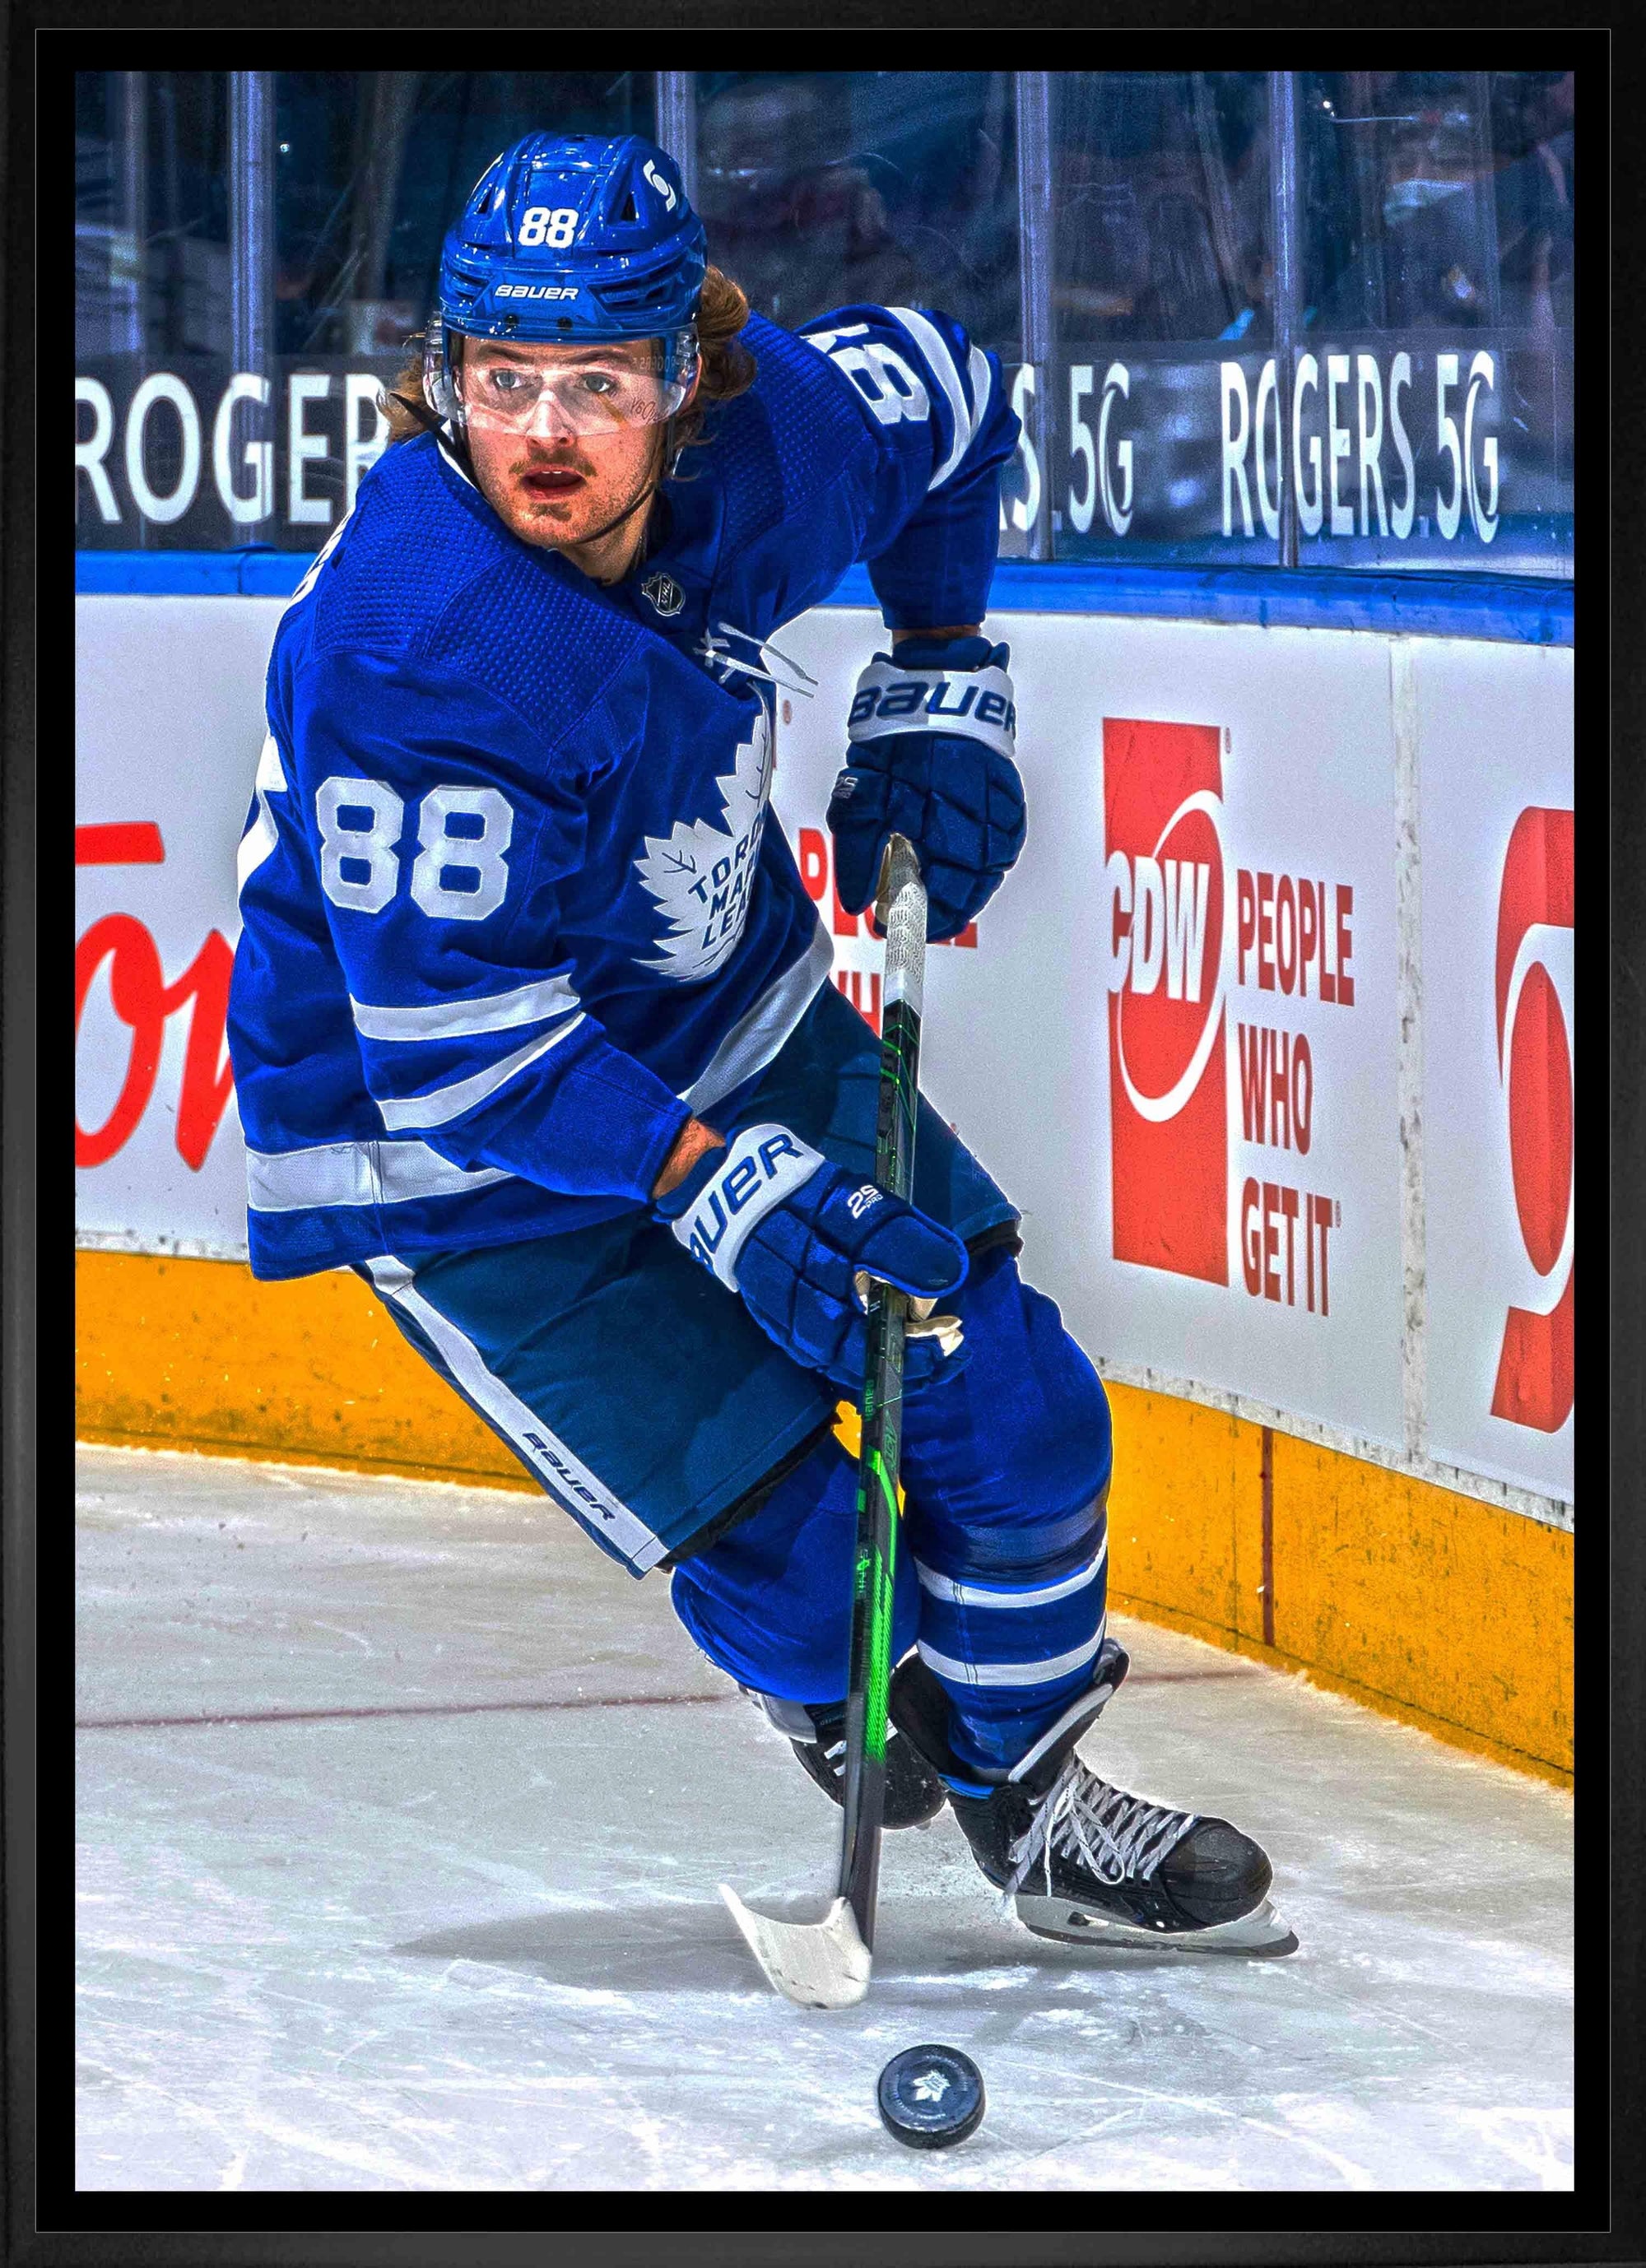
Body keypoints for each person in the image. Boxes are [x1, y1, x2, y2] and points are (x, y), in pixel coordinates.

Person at [227, 130, 1293, 1956]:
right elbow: (464, 1059)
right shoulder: (418, 643)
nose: (545, 435)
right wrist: (712, 1192)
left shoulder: (779, 436)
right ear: (443, 379)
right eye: (501, 383)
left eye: (598, 384)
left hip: (727, 1003)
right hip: (453, 1137)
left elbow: (954, 398)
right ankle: (838, 1689)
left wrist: (942, 668)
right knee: (828, 1599)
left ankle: (1038, 1806)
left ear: (689, 375)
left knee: (1016, 1407)